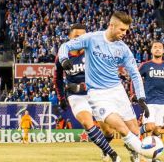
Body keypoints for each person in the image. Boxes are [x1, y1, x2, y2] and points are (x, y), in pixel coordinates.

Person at [59, 11, 158, 160]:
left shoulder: (123, 49)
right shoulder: (92, 38)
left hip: (118, 91)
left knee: (134, 130)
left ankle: (135, 154)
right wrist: (64, 60)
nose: (125, 33)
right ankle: (149, 155)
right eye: (122, 29)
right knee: (121, 128)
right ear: (111, 25)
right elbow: (65, 46)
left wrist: (141, 97)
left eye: (127, 30)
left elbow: (135, 74)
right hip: (98, 94)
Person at [56, 23, 119, 161]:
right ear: (69, 37)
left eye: (83, 36)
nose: (80, 39)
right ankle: (113, 154)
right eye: (76, 36)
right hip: (76, 96)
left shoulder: (93, 51)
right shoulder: (62, 55)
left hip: (96, 93)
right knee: (87, 123)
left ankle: (104, 149)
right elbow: (58, 79)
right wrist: (61, 98)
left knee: (108, 131)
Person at [138, 41, 164, 138]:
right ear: (151, 50)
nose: (157, 49)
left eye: (160, 47)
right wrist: (135, 94)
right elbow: (135, 78)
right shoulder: (145, 65)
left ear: (163, 51)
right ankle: (135, 135)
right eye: (155, 47)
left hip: (161, 101)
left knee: (157, 130)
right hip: (149, 101)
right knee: (149, 127)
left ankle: (151, 150)